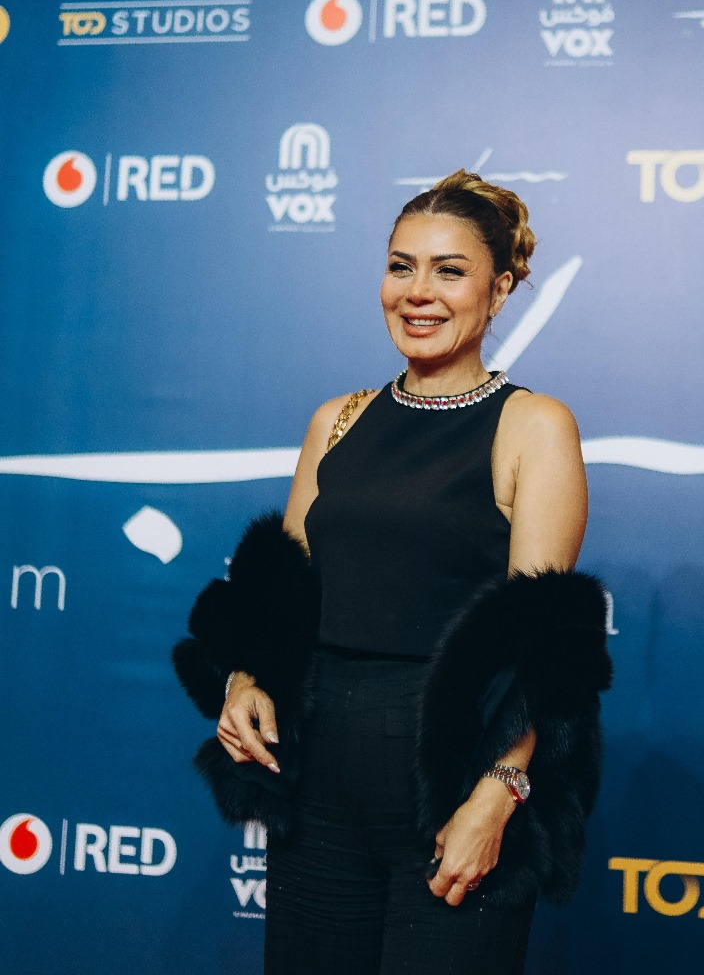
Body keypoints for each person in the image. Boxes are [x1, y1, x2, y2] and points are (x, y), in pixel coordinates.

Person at [173, 170, 611, 975]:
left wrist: (497, 796)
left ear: (499, 289)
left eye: (449, 270)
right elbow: (280, 595)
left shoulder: (533, 426)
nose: (418, 292)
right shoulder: (336, 420)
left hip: (453, 780)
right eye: (400, 266)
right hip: (318, 784)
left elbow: (543, 647)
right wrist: (244, 679)